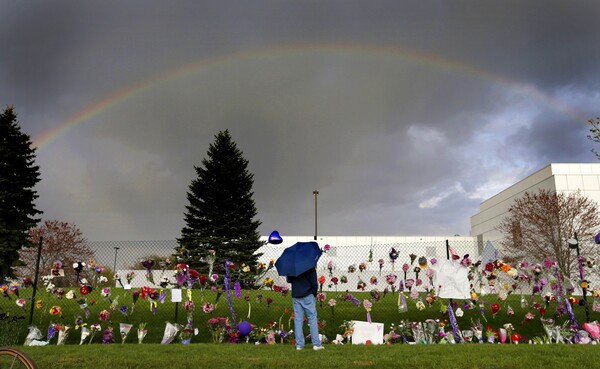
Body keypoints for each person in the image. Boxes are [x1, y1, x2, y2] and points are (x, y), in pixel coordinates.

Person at [287, 267, 324, 350]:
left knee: (298, 320)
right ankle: (316, 344)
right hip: (308, 294)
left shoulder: (292, 266)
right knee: (312, 319)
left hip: (296, 295)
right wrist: (313, 294)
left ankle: (299, 345)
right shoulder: (309, 266)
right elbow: (314, 283)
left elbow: (289, 280)